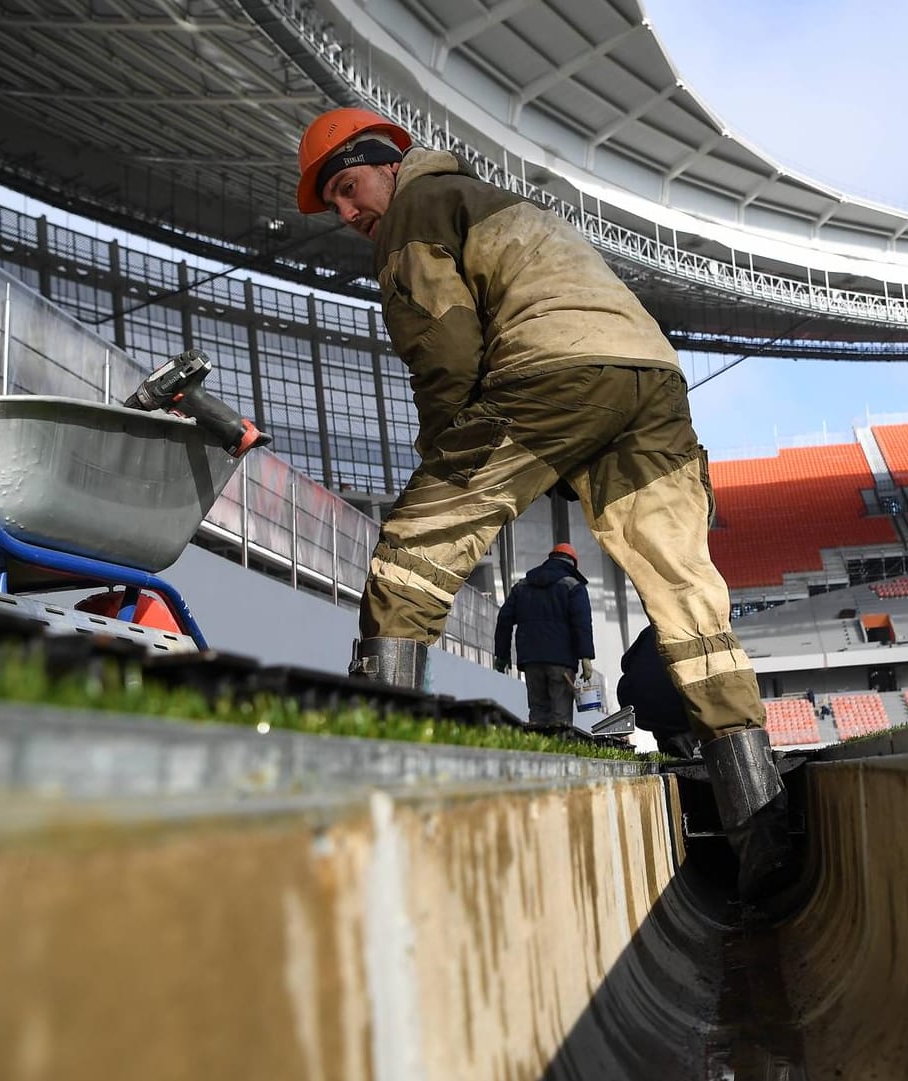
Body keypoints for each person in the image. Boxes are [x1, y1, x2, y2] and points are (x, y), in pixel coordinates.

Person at [295, 108, 793, 901]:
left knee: (411, 556)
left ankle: (374, 785)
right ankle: (761, 823)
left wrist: (447, 466)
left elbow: (445, 351)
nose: (350, 214)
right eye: (337, 207)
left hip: (555, 368)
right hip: (651, 376)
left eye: (349, 189)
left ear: (389, 164)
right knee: (689, 601)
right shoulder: (487, 198)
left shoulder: (416, 215)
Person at [493, 542, 594, 730]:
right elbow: (581, 624)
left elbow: (504, 619)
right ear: (573, 563)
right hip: (561, 662)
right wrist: (586, 657)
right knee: (561, 717)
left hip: (531, 660)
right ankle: (559, 757)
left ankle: (538, 754)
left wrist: (502, 655)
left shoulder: (522, 586)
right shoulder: (574, 587)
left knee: (537, 712)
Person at [617, 623, 699, 759]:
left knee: (658, 708)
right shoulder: (698, 632)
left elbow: (625, 662)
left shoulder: (653, 627)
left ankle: (669, 743)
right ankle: (683, 740)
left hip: (635, 704)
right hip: (673, 706)